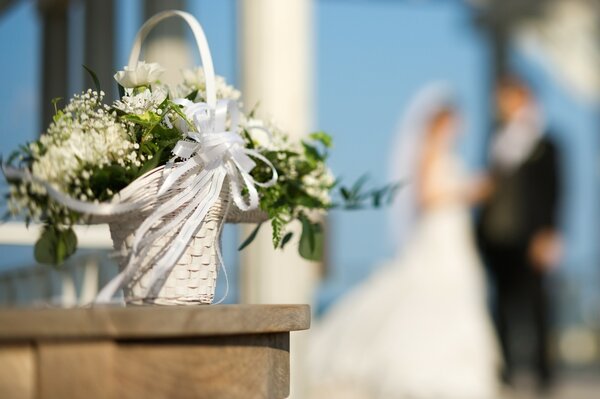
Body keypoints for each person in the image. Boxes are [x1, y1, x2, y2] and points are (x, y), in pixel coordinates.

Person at [309, 84, 501, 399]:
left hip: (453, 236)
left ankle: (458, 370)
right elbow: (426, 196)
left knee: (452, 297)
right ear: (442, 123)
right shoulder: (428, 152)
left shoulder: (449, 155)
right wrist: (468, 191)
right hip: (438, 234)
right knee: (428, 292)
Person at [477, 74, 562, 390]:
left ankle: (544, 373)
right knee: (502, 303)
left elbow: (555, 191)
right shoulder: (496, 140)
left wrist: (549, 233)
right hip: (497, 237)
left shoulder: (546, 143)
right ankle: (507, 369)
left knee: (538, 304)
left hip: (532, 237)